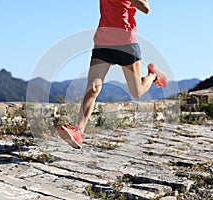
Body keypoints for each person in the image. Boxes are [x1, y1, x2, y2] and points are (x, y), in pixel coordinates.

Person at [56, 0, 168, 149]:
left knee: (137, 91)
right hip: (103, 43)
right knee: (93, 87)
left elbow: (146, 8)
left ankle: (153, 74)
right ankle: (79, 131)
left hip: (126, 43)